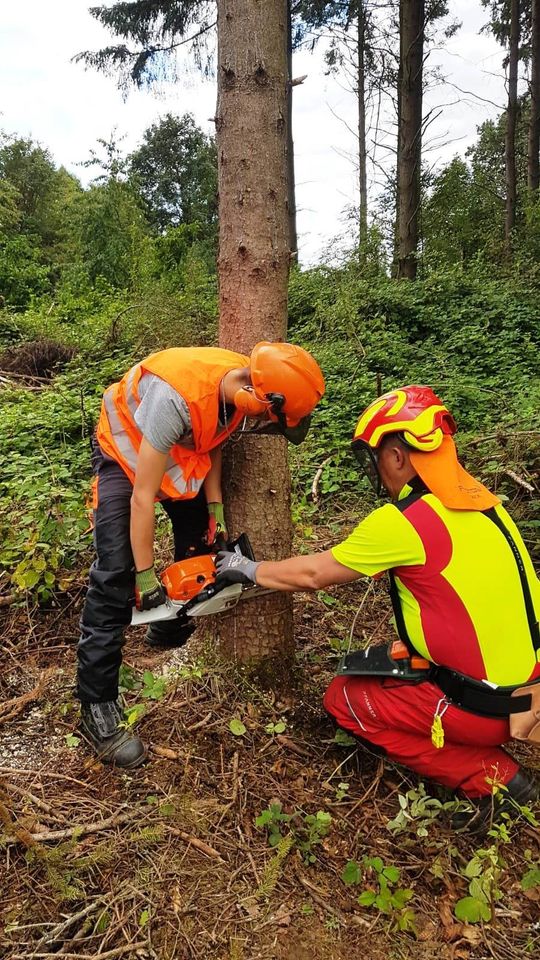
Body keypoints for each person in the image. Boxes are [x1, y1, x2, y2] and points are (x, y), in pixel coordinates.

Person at [216, 385, 540, 830]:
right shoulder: (489, 506)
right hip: (528, 690)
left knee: (344, 698)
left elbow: (314, 574)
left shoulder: (405, 521)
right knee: (385, 660)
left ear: (397, 456)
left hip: (483, 708)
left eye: (376, 460)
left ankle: (495, 779)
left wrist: (246, 569)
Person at [78, 341, 325, 768]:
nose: (266, 425)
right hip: (126, 453)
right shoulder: (177, 396)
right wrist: (144, 575)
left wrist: (214, 508)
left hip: (175, 451)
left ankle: (168, 629)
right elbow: (142, 498)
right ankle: (97, 707)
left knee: (200, 543)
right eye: (270, 418)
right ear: (258, 398)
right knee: (116, 571)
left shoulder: (240, 386)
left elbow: (211, 439)